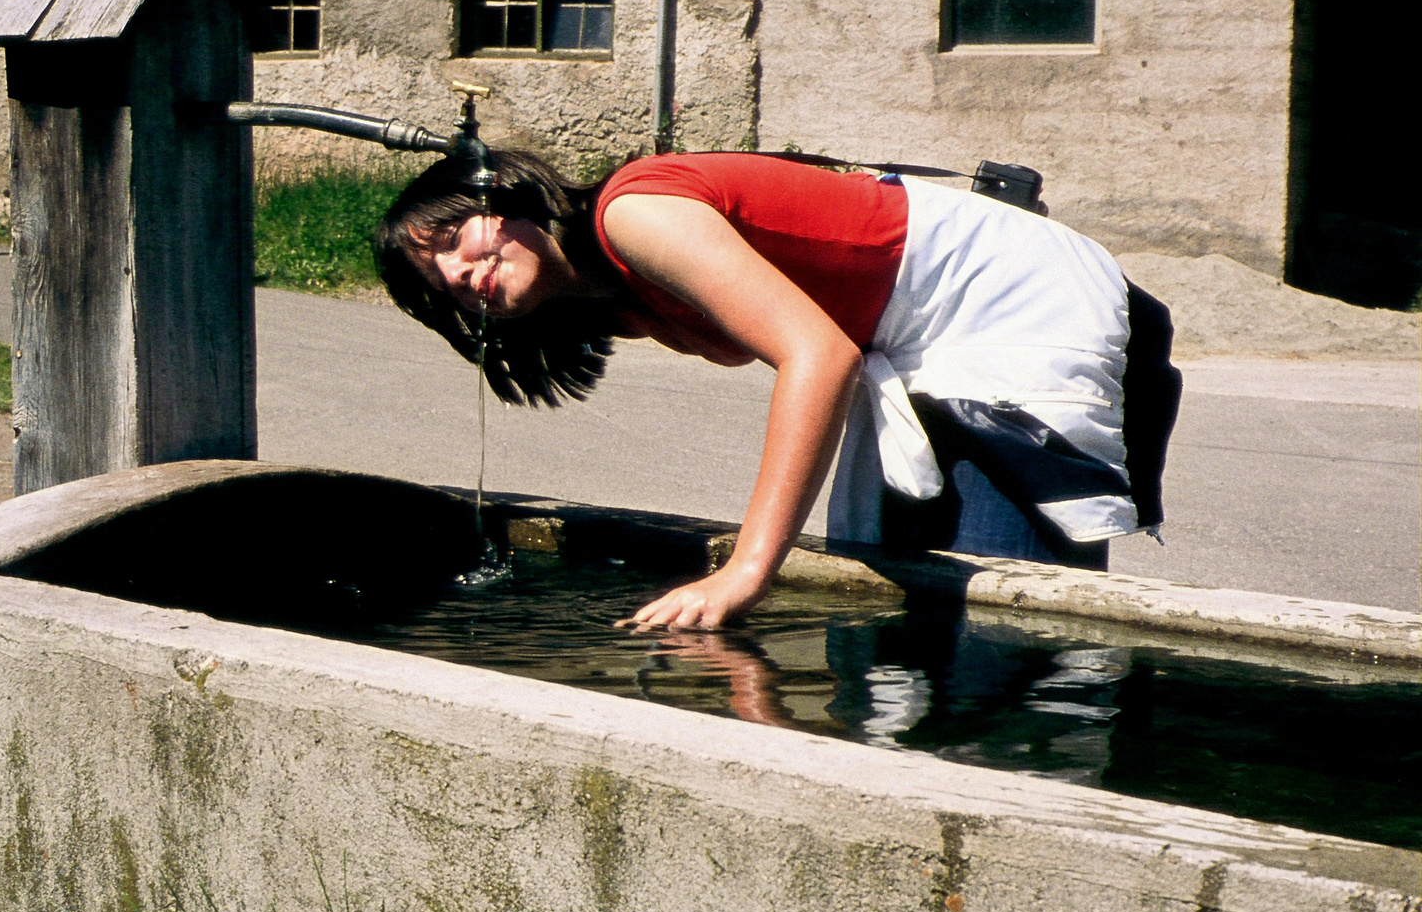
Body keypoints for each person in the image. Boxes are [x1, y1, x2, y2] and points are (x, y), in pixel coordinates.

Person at [373, 149, 1172, 630]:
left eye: (450, 238)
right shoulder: (625, 289)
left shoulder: (635, 215)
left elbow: (818, 356)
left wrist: (748, 570)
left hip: (1011, 304)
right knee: (881, 578)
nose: (453, 273)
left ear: (502, 197)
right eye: (435, 280)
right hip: (913, 337)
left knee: (1000, 604)